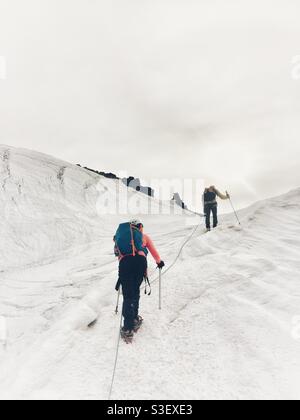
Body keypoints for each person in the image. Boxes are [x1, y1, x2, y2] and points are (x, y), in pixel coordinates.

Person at [114, 219, 165, 342]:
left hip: (125, 263)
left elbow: (117, 254)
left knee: (128, 295)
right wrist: (159, 262)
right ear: (140, 227)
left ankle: (128, 328)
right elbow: (153, 251)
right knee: (135, 291)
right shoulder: (143, 236)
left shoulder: (121, 237)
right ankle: (134, 318)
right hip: (140, 263)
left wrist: (124, 267)